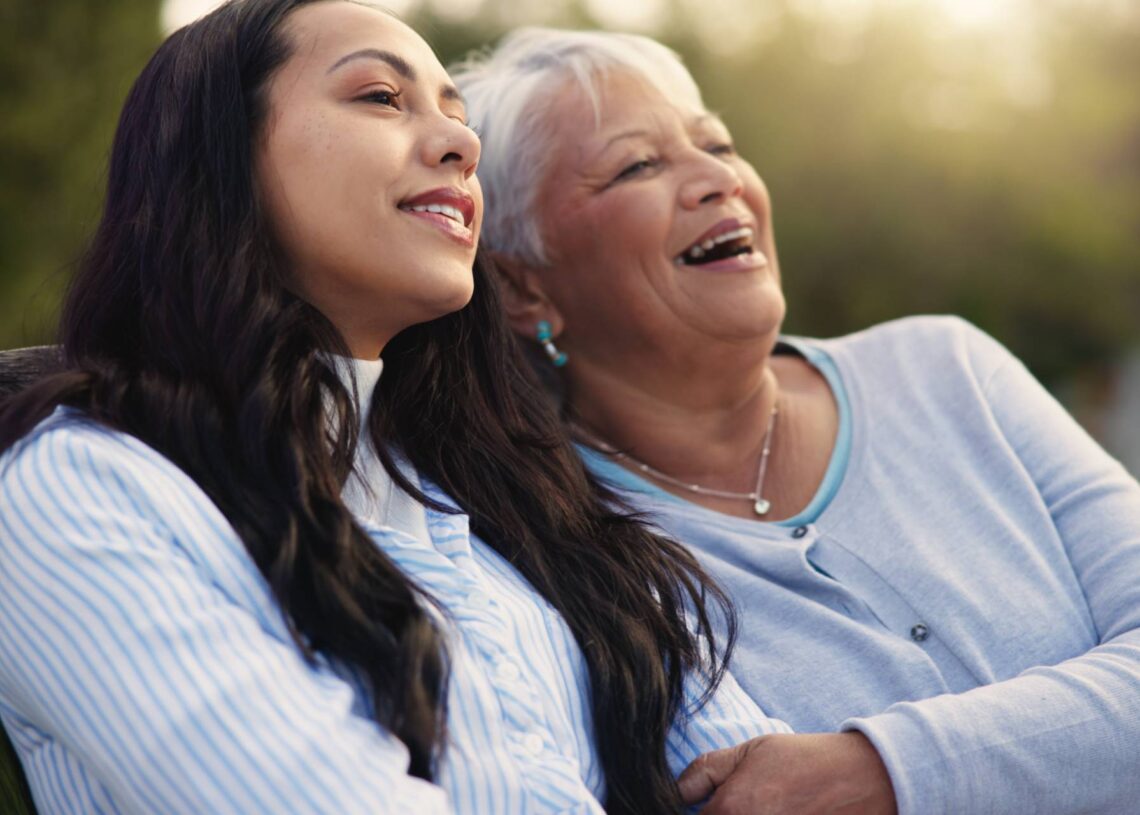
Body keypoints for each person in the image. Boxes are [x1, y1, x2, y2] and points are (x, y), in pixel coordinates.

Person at [0, 3, 792, 813]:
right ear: (220, 156)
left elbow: (767, 786)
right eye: (381, 97)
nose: (463, 143)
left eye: (456, 112)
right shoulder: (76, 489)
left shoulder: (530, 507)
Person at [452, 27, 1140, 815]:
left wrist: (876, 772)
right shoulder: (547, 555)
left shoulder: (948, 368)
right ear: (518, 289)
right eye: (638, 165)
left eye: (718, 143)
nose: (718, 178)